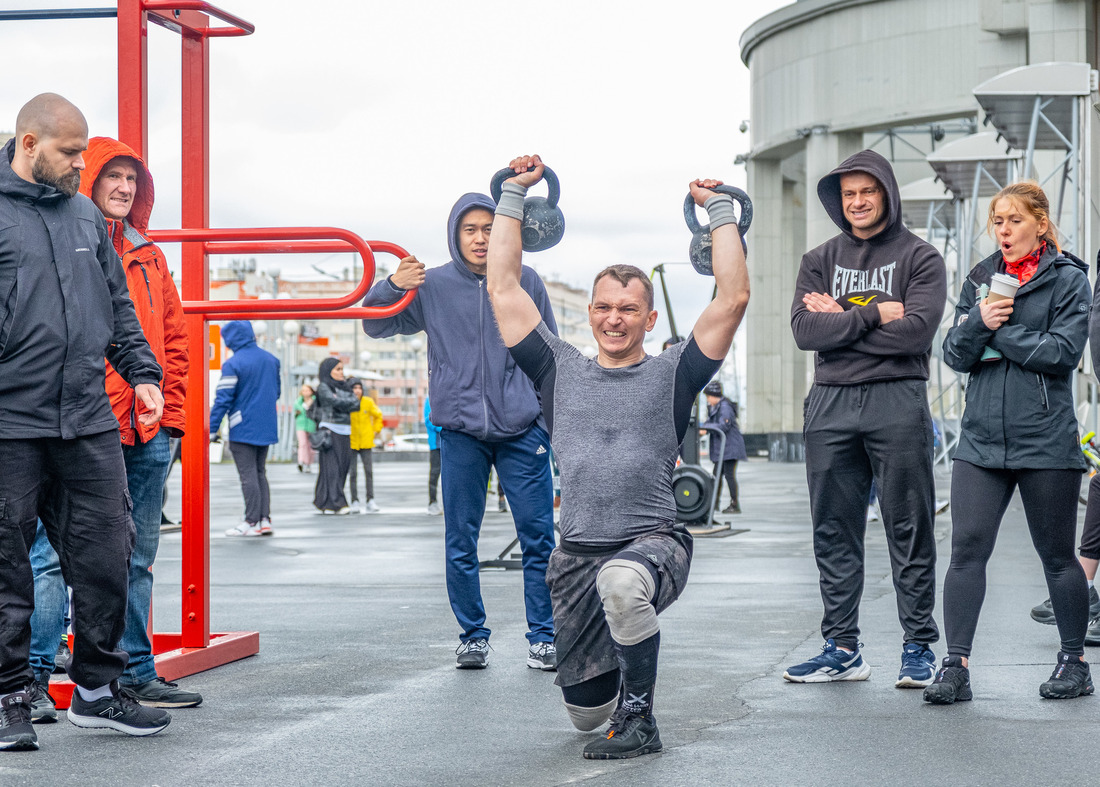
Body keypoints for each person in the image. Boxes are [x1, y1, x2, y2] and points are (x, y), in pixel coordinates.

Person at [487, 154, 749, 759]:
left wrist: (719, 211)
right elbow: (503, 286)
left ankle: (642, 720)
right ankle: (613, 701)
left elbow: (732, 297)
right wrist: (510, 196)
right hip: (576, 557)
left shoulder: (673, 372)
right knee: (584, 717)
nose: (614, 319)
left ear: (650, 317)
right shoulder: (558, 368)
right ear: (590, 312)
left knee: (623, 583)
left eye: (629, 309)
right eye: (605, 307)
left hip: (652, 543)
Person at [0, 94, 171, 750]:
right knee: (8, 565)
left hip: (88, 416)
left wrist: (144, 373)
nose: (81, 164)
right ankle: (11, 694)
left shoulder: (82, 215)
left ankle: (99, 690)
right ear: (30, 142)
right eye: (70, 153)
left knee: (108, 552)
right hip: (10, 419)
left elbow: (117, 305)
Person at [28, 135, 199, 722]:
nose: (124, 188)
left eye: (133, 179)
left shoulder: (149, 254)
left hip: (148, 429)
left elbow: (172, 340)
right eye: (113, 177)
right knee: (54, 554)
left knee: (137, 555)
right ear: (89, 180)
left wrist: (171, 414)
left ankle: (133, 673)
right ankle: (36, 671)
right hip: (82, 425)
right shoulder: (64, 242)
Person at [363, 189, 558, 672]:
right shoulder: (432, 286)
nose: (479, 238)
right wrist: (392, 283)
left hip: (521, 430)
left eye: (489, 229)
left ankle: (544, 636)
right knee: (460, 540)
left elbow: (551, 356)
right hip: (460, 432)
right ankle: (473, 635)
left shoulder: (525, 280)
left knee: (539, 538)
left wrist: (547, 425)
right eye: (469, 229)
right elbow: (372, 324)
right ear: (455, 235)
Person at [925, 181, 1093, 704]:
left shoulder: (1070, 281)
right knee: (966, 552)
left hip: (1045, 439)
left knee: (1058, 558)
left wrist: (1000, 330)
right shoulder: (981, 279)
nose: (1003, 230)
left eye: (1014, 220)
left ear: (1040, 225)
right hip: (981, 443)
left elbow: (1062, 353)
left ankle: (1074, 662)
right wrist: (978, 320)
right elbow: (954, 354)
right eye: (997, 221)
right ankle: (955, 667)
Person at [786, 149, 946, 688]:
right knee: (833, 528)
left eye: (867, 191)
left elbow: (918, 334)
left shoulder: (921, 258)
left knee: (908, 523)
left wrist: (842, 322)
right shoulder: (819, 259)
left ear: (886, 193)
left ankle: (920, 646)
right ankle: (842, 648)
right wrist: (876, 313)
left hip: (897, 400)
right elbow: (806, 333)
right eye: (848, 193)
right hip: (830, 403)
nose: (857, 202)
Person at [209, 320, 280, 537]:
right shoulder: (272, 360)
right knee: (260, 473)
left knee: (247, 475)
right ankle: (264, 520)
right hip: (267, 425)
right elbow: (276, 393)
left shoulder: (233, 363)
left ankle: (250, 521)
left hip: (243, 427)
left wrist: (212, 428)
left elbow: (223, 399)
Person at [313, 358, 361, 514]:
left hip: (345, 430)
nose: (341, 372)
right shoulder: (323, 386)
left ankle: (324, 502)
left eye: (342, 369)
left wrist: (340, 400)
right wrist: (343, 401)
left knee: (343, 468)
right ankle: (337, 503)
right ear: (329, 371)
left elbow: (356, 404)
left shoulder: (346, 386)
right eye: (338, 369)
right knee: (331, 469)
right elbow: (333, 402)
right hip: (330, 430)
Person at [699, 380, 747, 515]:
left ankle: (734, 504)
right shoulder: (715, 407)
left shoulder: (724, 407)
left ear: (714, 396)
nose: (708, 400)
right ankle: (714, 503)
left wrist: (706, 428)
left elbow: (723, 426)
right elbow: (710, 423)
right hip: (723, 449)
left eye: (708, 397)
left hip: (729, 449)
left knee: (729, 476)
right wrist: (702, 428)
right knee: (717, 476)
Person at [348, 378, 384, 514]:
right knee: (353, 473)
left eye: (359, 388)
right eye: (354, 388)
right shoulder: (347, 403)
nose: (357, 391)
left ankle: (370, 500)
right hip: (351, 442)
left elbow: (378, 415)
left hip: (366, 441)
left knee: (368, 471)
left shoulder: (368, 402)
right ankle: (354, 500)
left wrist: (376, 430)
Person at [424, 396, 443, 516]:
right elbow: (428, 420)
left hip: (451, 444)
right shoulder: (429, 399)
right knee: (435, 473)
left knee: (452, 476)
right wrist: (445, 427)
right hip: (436, 445)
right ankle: (432, 502)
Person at [294, 384, 318, 473]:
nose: (305, 392)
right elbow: (298, 410)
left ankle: (308, 463)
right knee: (302, 444)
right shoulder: (298, 401)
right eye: (303, 390)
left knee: (310, 446)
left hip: (311, 425)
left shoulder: (315, 400)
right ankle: (301, 461)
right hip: (301, 425)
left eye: (307, 390)